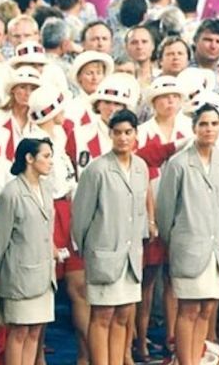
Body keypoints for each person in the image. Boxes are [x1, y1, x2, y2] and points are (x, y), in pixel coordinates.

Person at [73, 109, 149, 365]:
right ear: (110, 135)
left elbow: (140, 212)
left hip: (131, 258)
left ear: (136, 134)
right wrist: (89, 253)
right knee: (102, 316)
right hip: (103, 255)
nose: (123, 138)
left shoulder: (141, 167)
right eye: (117, 133)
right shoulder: (97, 170)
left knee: (123, 315)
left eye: (128, 132)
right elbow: (81, 217)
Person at [157, 104, 219, 365]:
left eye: (214, 124)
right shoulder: (178, 164)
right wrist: (178, 240)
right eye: (203, 124)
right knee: (188, 309)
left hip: (216, 251)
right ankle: (185, 361)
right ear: (194, 128)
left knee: (208, 308)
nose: (209, 129)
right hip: (189, 248)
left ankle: (197, 360)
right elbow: (164, 213)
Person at [0, 138, 56, 365]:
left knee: (35, 332)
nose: (50, 161)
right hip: (19, 278)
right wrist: (1, 277)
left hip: (43, 276)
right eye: (46, 156)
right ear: (29, 158)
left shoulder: (46, 189)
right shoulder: (11, 194)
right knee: (18, 333)